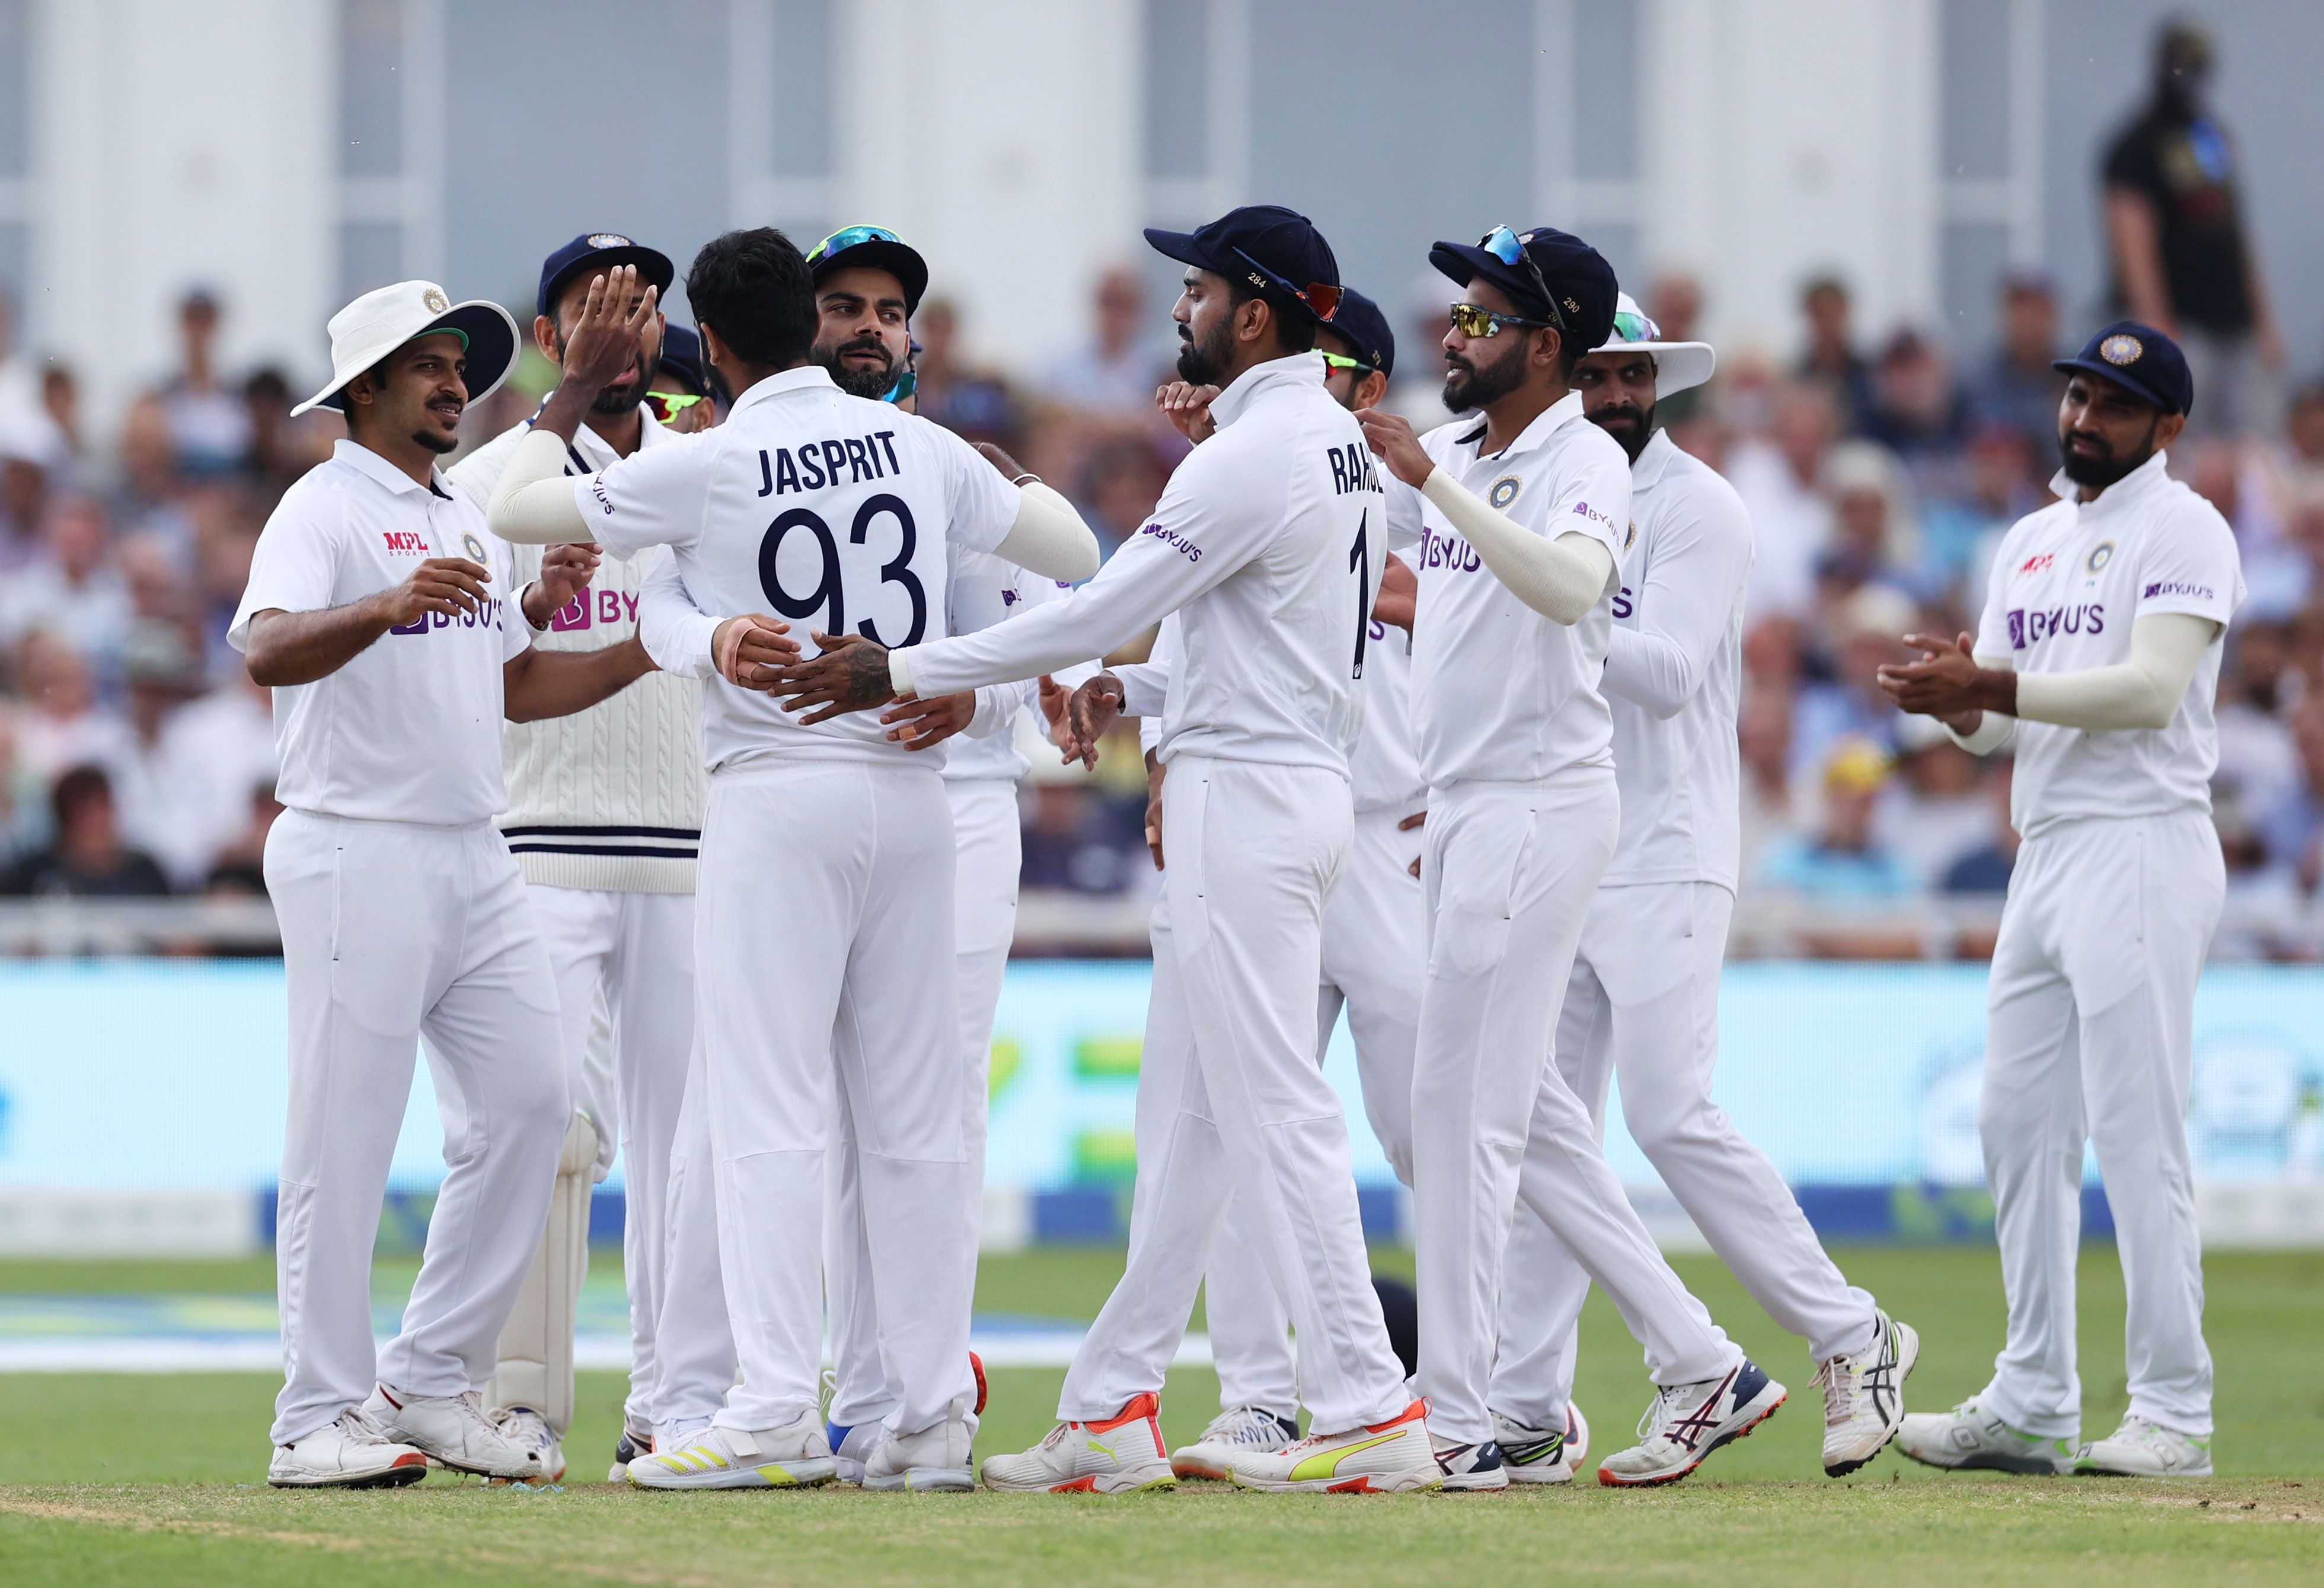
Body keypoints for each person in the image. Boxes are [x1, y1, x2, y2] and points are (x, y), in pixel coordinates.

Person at [772, 205, 1434, 1494]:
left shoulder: (1252, 455)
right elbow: (1248, 628)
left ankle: (1365, 1400)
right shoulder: (1336, 447)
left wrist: (903, 666)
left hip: (1245, 799)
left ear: (1250, 313)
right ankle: (1113, 1400)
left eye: (1194, 289)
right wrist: (1126, 697)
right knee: (1186, 1119)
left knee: (1273, 1105)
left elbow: (1101, 606)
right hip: (1282, 777)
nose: (1177, 307)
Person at [486, 234, 1099, 1493]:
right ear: (813, 330)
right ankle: (927, 1417)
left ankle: (769, 1406)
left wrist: (575, 386)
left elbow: (511, 507)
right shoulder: (926, 448)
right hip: (918, 801)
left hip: (775, 792)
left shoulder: (703, 463)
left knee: (767, 1109)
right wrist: (999, 486)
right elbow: (1075, 555)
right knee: (921, 1117)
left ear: (709, 344)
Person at [1358, 225, 1778, 1489]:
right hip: (1478, 802)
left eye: (1481, 318)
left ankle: (1463, 1418)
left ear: (1549, 343)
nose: (1453, 332)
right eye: (1456, 313)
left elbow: (1571, 588)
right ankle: (1700, 1358)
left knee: (1464, 1117)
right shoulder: (1484, 456)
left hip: (1542, 803)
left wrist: (1429, 484)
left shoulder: (1581, 456)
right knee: (1522, 1116)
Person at [1483, 294, 1918, 1481]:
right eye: (1599, 375)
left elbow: (1669, 673)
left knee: (1668, 1110)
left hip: (1669, 844)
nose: (1618, 395)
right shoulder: (1543, 489)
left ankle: (1851, 1332)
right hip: (1564, 835)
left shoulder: (1700, 507)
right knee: (1536, 1123)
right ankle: (1525, 1404)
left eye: (1636, 377)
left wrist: (1539, 592)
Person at [236, 279, 656, 1488]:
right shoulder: (322, 506)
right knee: (342, 1136)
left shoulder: (460, 518)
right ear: (361, 389)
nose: (451, 380)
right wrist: (382, 604)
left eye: (457, 361)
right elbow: (263, 643)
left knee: (535, 1104)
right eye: (423, 364)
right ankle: (314, 1414)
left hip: (475, 852)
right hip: (352, 842)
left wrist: (640, 634)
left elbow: (516, 687)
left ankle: (427, 1378)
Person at [1881, 321, 2242, 1478]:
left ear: (2167, 427)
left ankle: (2174, 1411)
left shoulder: (2186, 527)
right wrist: (1953, 701)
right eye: (2077, 394)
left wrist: (1987, 682)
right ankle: (2033, 1396)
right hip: (2046, 847)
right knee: (2014, 1122)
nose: (2084, 418)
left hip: (2142, 839)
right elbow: (2000, 726)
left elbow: (2146, 692)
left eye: (2115, 403)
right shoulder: (2031, 538)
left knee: (2138, 1130)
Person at [1128, 287, 1432, 1482]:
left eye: (1346, 371)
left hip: (1382, 841)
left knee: (1431, 1129)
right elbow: (1187, 643)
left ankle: (1495, 1386)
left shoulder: (1405, 484)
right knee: (1212, 1118)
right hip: (1255, 817)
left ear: (1366, 381)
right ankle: (1258, 1393)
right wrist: (1160, 758)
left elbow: (1435, 604)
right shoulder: (1254, 472)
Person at [446, 232, 700, 1484]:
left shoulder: (709, 466)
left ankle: (673, 1402)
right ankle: (520, 1401)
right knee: (538, 1127)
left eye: (639, 308)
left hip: (690, 845)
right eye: (591, 310)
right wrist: (563, 400)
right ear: (552, 336)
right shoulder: (495, 470)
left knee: (684, 1138)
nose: (618, 327)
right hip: (538, 842)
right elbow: (484, 649)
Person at [2102, 19, 2281, 440]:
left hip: (2234, 323)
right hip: (2181, 324)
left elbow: (2235, 229)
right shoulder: (2136, 142)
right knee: (2183, 440)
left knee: (2253, 444)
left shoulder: (2210, 137)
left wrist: (2264, 320)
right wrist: (2156, 321)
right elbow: (2131, 235)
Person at [0, 763, 170, 897]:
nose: (96, 824)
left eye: (103, 810)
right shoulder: (33, 874)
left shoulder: (144, 872)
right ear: (66, 820)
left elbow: (178, 933)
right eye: (85, 814)